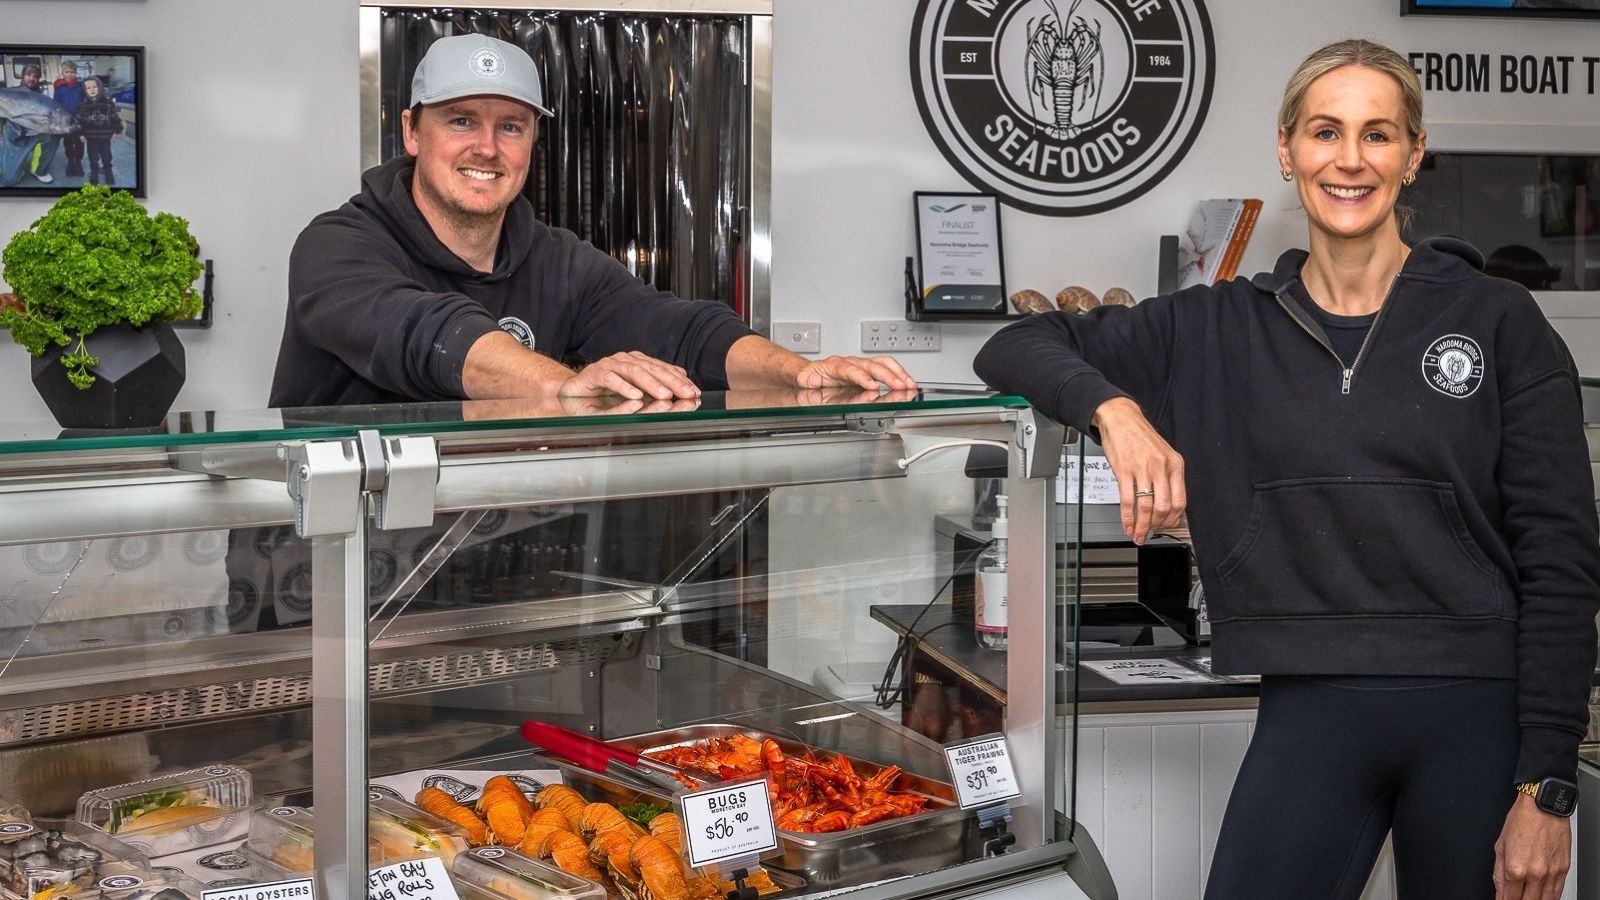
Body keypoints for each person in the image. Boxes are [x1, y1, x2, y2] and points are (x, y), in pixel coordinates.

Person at [974, 39, 1599, 900]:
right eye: (1325, 132)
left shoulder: (1500, 322)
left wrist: (1549, 785)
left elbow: (1563, 560)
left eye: (1378, 135)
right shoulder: (1217, 325)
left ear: (1413, 155)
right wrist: (1116, 411)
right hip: (1310, 703)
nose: (1350, 159)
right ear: (1287, 149)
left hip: (1477, 716)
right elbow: (1014, 344)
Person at [271, 34, 912, 407]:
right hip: (328, 579)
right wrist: (568, 383)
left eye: (511, 127)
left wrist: (797, 371)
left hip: (476, 578)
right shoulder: (337, 247)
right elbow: (426, 333)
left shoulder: (558, 260)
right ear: (412, 131)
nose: (487, 148)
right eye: (461, 120)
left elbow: (680, 330)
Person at [73, 77, 122, 187]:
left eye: (94, 87)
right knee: (93, 157)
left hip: (105, 137)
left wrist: (116, 129)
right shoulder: (83, 106)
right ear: (85, 90)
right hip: (91, 138)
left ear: (99, 87)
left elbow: (114, 117)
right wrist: (80, 133)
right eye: (88, 88)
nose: (92, 90)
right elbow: (79, 122)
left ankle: (108, 171)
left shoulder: (108, 104)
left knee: (107, 156)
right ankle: (94, 173)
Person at [51, 62, 85, 178]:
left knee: (80, 142)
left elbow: (84, 100)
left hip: (79, 119)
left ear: (75, 73)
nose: (69, 74)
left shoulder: (81, 86)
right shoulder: (59, 88)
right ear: (62, 73)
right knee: (68, 143)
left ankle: (79, 162)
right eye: (67, 72)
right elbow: (56, 104)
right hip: (65, 121)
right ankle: (71, 161)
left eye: (72, 72)